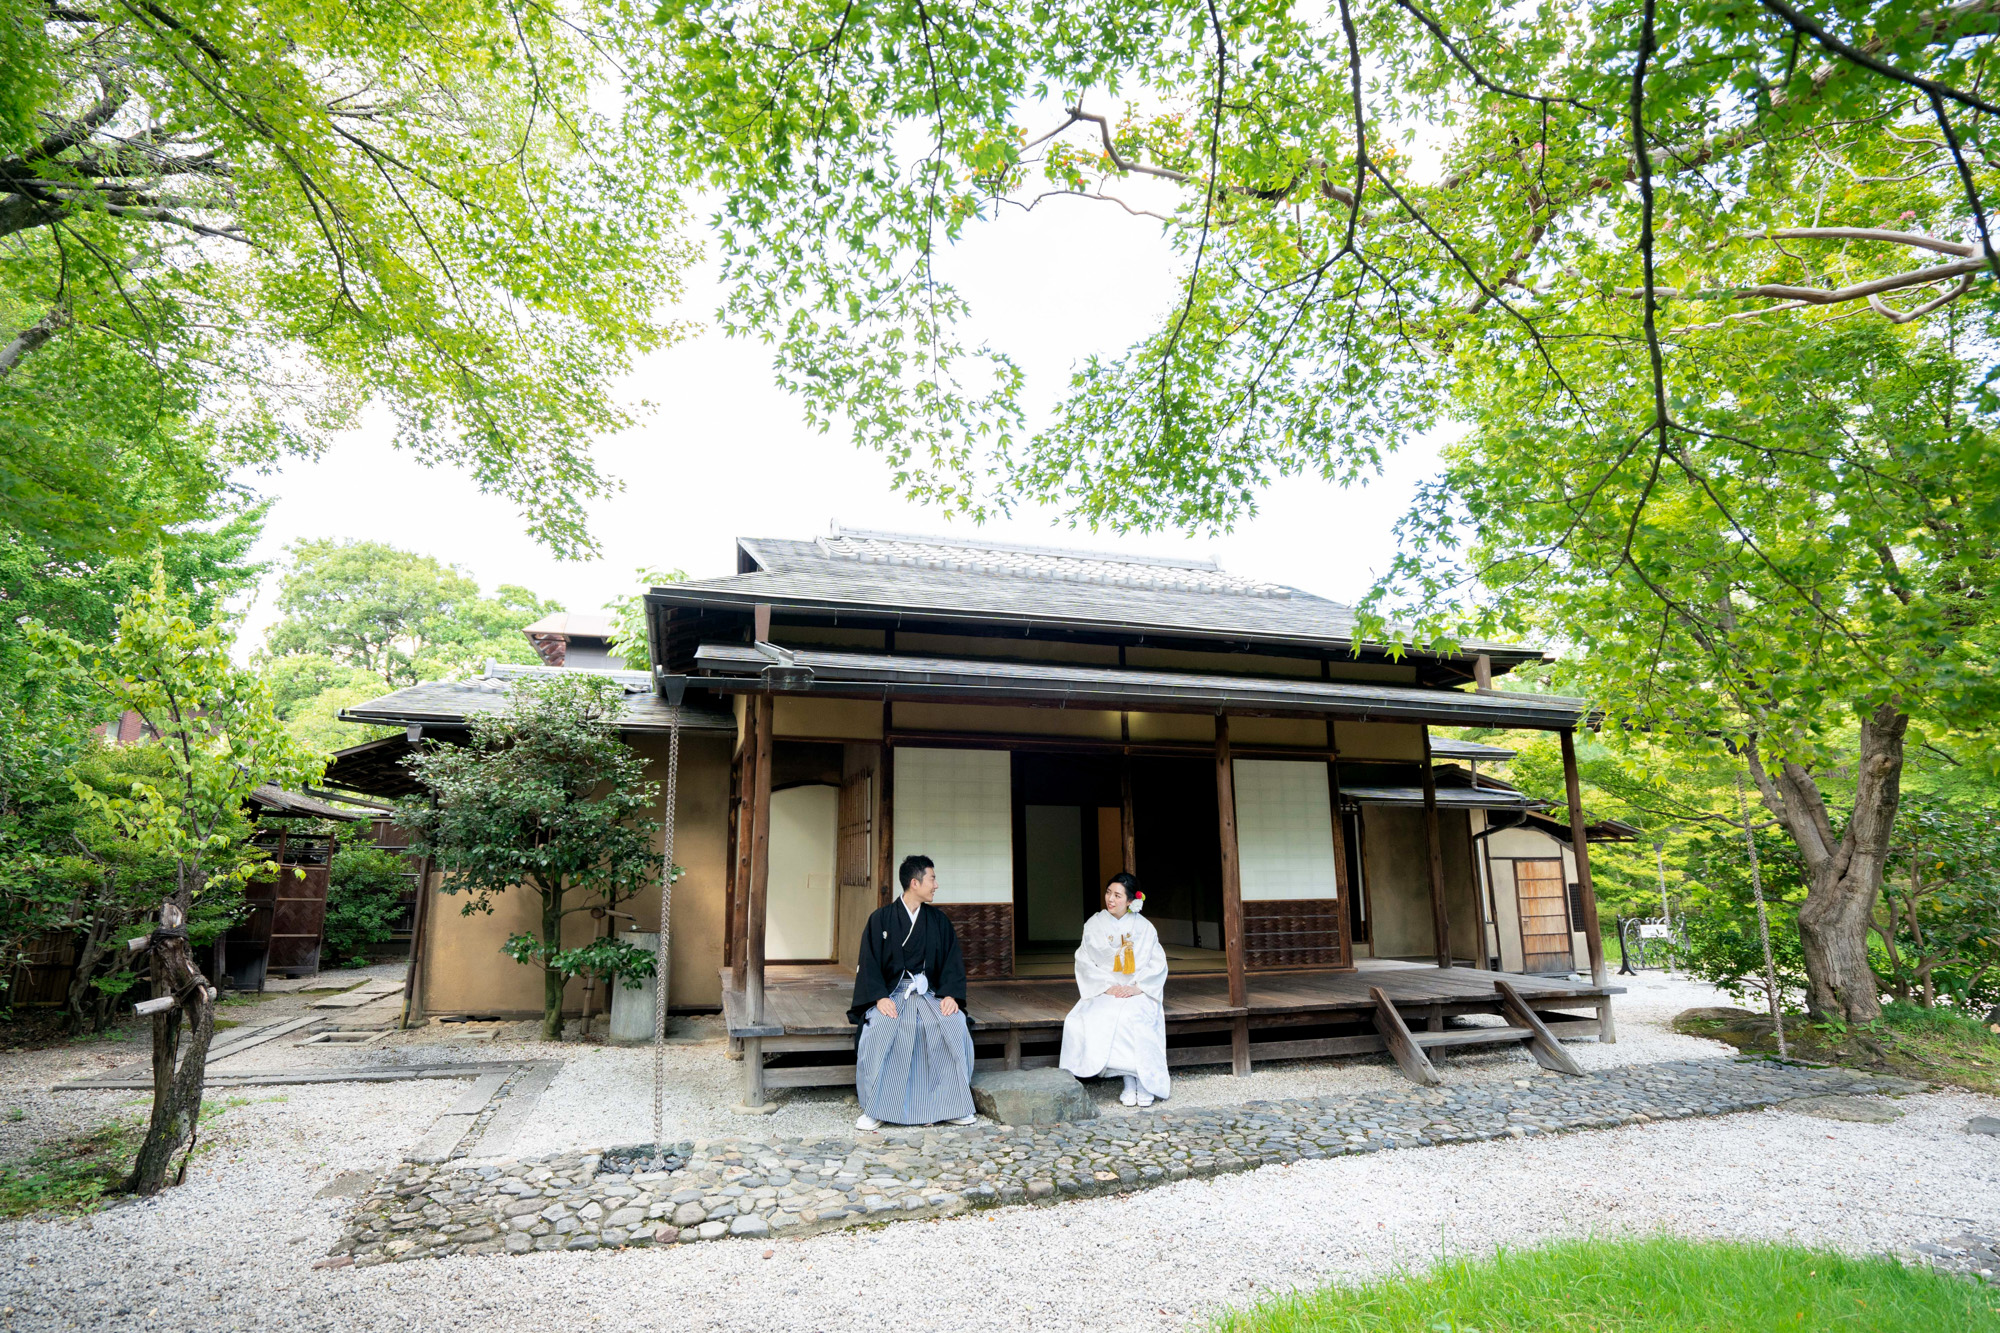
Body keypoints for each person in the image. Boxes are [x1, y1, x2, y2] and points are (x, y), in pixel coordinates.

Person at [849, 854, 978, 1131]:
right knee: (881, 1027)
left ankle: (952, 1105)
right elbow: (869, 963)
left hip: (930, 994)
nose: (936, 885)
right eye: (932, 879)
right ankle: (877, 1107)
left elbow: (952, 962)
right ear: (914, 883)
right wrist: (880, 997)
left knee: (952, 1023)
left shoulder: (939, 921)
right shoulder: (881, 919)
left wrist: (951, 996)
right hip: (893, 995)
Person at [1059, 872, 1170, 1106]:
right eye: (1109, 892)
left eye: (1118, 895)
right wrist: (1107, 987)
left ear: (1130, 901)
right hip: (1105, 988)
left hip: (1137, 989)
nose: (1110, 899)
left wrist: (1139, 987)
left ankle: (1142, 1080)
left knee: (1135, 1016)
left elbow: (1157, 962)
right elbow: (1085, 960)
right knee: (1101, 1016)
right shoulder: (1094, 924)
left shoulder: (1145, 927)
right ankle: (1129, 1080)